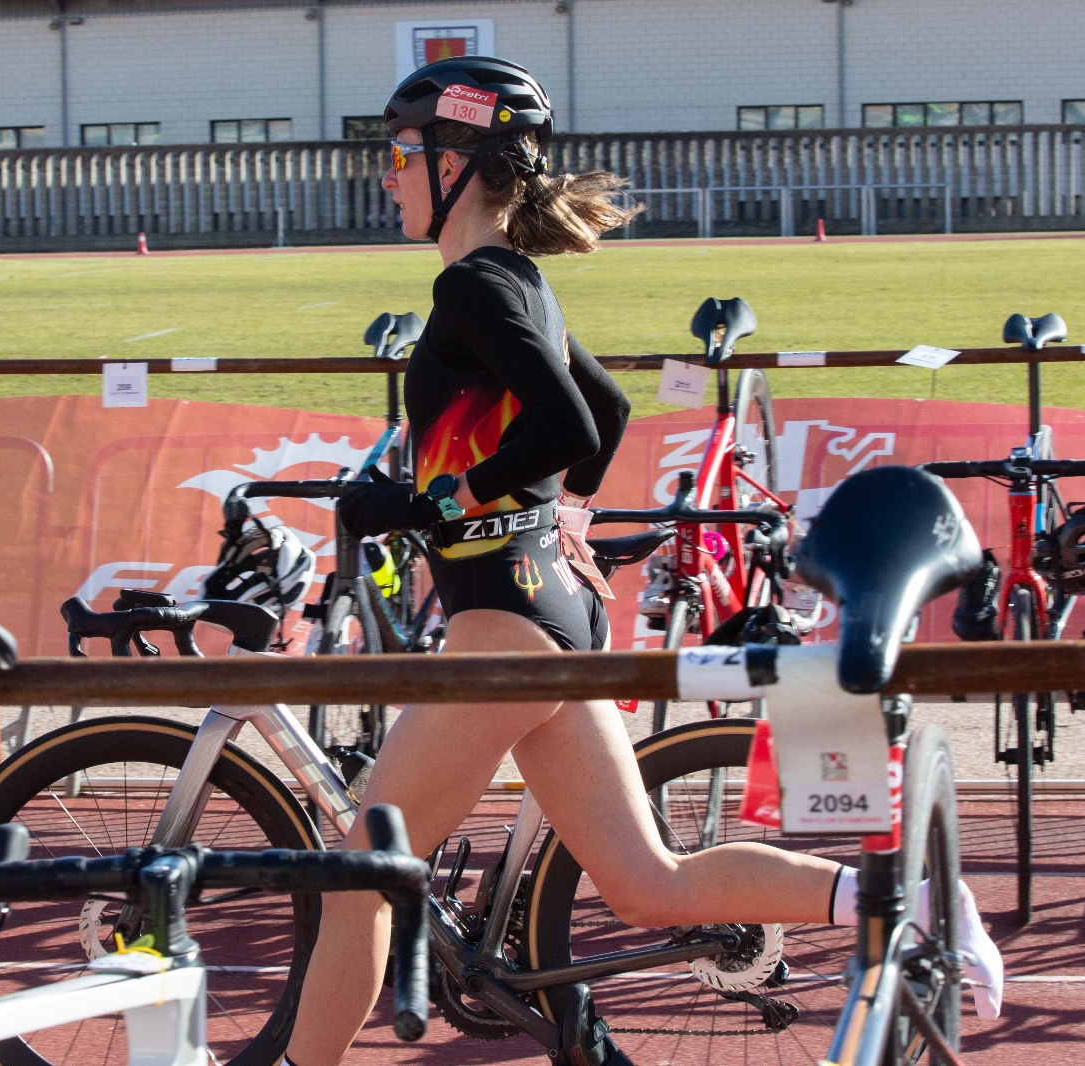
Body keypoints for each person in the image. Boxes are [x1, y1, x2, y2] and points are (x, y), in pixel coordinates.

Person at [282, 57, 1002, 1066]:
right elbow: (609, 408)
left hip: (505, 628)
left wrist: (426, 502)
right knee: (648, 884)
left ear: (457, 163)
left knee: (363, 870)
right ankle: (907, 900)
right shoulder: (514, 280)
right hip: (545, 613)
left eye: (403, 154)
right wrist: (566, 516)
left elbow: (570, 422)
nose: (388, 174)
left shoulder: (472, 285)